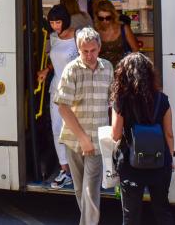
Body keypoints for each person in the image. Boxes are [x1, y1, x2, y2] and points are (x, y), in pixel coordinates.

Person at [54, 27, 114, 225]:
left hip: (97, 140)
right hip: (74, 139)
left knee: (91, 189)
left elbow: (113, 104)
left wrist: (114, 133)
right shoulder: (72, 69)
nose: (89, 55)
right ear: (78, 49)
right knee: (80, 189)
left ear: (100, 47)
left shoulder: (108, 68)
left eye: (93, 50)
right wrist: (82, 137)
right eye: (84, 51)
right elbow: (63, 107)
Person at [110, 53, 174, 225]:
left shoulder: (121, 101)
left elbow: (115, 135)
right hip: (160, 162)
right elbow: (169, 133)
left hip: (131, 164)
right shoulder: (163, 99)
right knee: (162, 211)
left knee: (131, 216)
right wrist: (170, 158)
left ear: (123, 74)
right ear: (149, 74)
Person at [37, 5, 78, 189]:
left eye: (58, 22)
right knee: (56, 129)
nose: (55, 26)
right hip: (56, 88)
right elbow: (56, 61)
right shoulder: (53, 38)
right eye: (52, 23)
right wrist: (47, 70)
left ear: (65, 21)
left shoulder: (78, 37)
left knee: (75, 129)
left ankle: (79, 168)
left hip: (75, 90)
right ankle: (65, 170)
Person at [94, 0, 138, 67]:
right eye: (101, 18)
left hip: (122, 70)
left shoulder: (124, 28)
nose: (105, 21)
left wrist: (130, 65)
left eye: (108, 18)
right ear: (97, 18)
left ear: (113, 15)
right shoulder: (95, 31)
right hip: (102, 71)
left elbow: (135, 50)